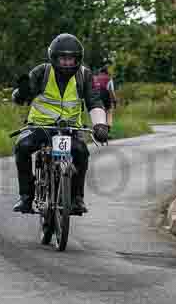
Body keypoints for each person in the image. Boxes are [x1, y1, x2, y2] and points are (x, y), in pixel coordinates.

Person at [10, 34, 111, 215]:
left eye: (71, 59)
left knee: (81, 152)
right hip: (40, 127)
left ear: (77, 59)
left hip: (70, 129)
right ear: (54, 58)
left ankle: (76, 199)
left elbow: (94, 102)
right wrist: (21, 93)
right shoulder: (42, 72)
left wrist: (100, 125)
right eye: (63, 59)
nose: (66, 63)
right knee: (22, 147)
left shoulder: (84, 75)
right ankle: (26, 196)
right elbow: (22, 96)